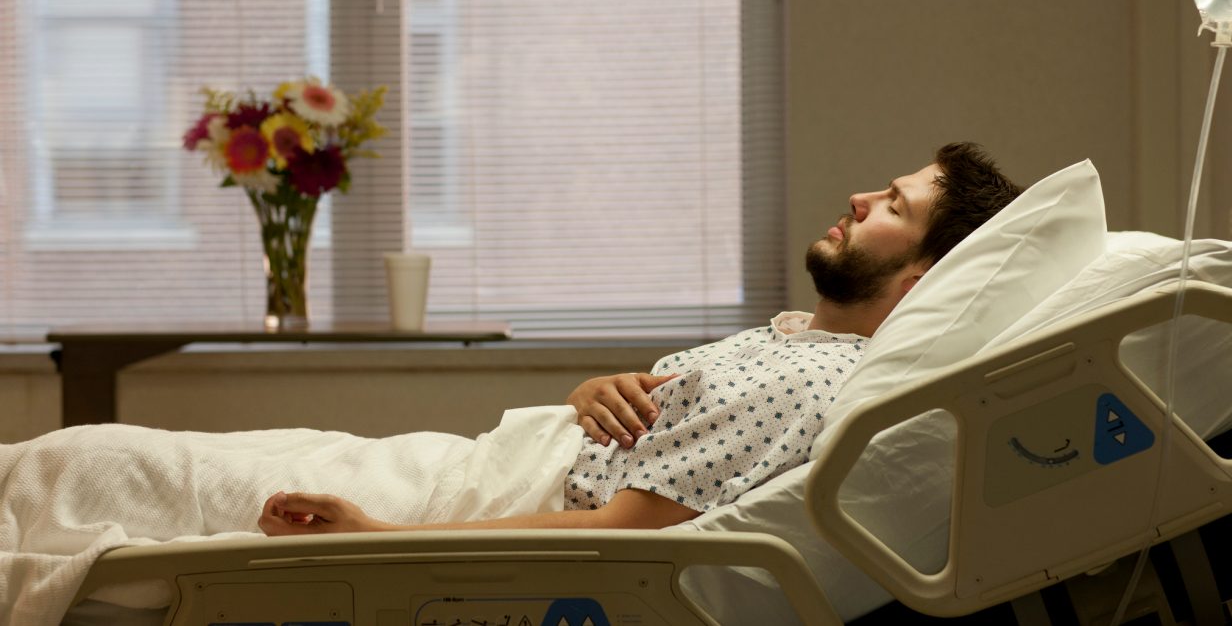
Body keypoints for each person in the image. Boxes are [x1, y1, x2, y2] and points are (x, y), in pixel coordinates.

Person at [257, 142, 1022, 537]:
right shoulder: (797, 341)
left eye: (894, 204)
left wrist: (378, 537)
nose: (859, 197)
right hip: (484, 460)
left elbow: (619, 532)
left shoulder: (814, 385)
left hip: (470, 498)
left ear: (919, 282)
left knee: (156, 475)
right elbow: (653, 442)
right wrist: (591, 395)